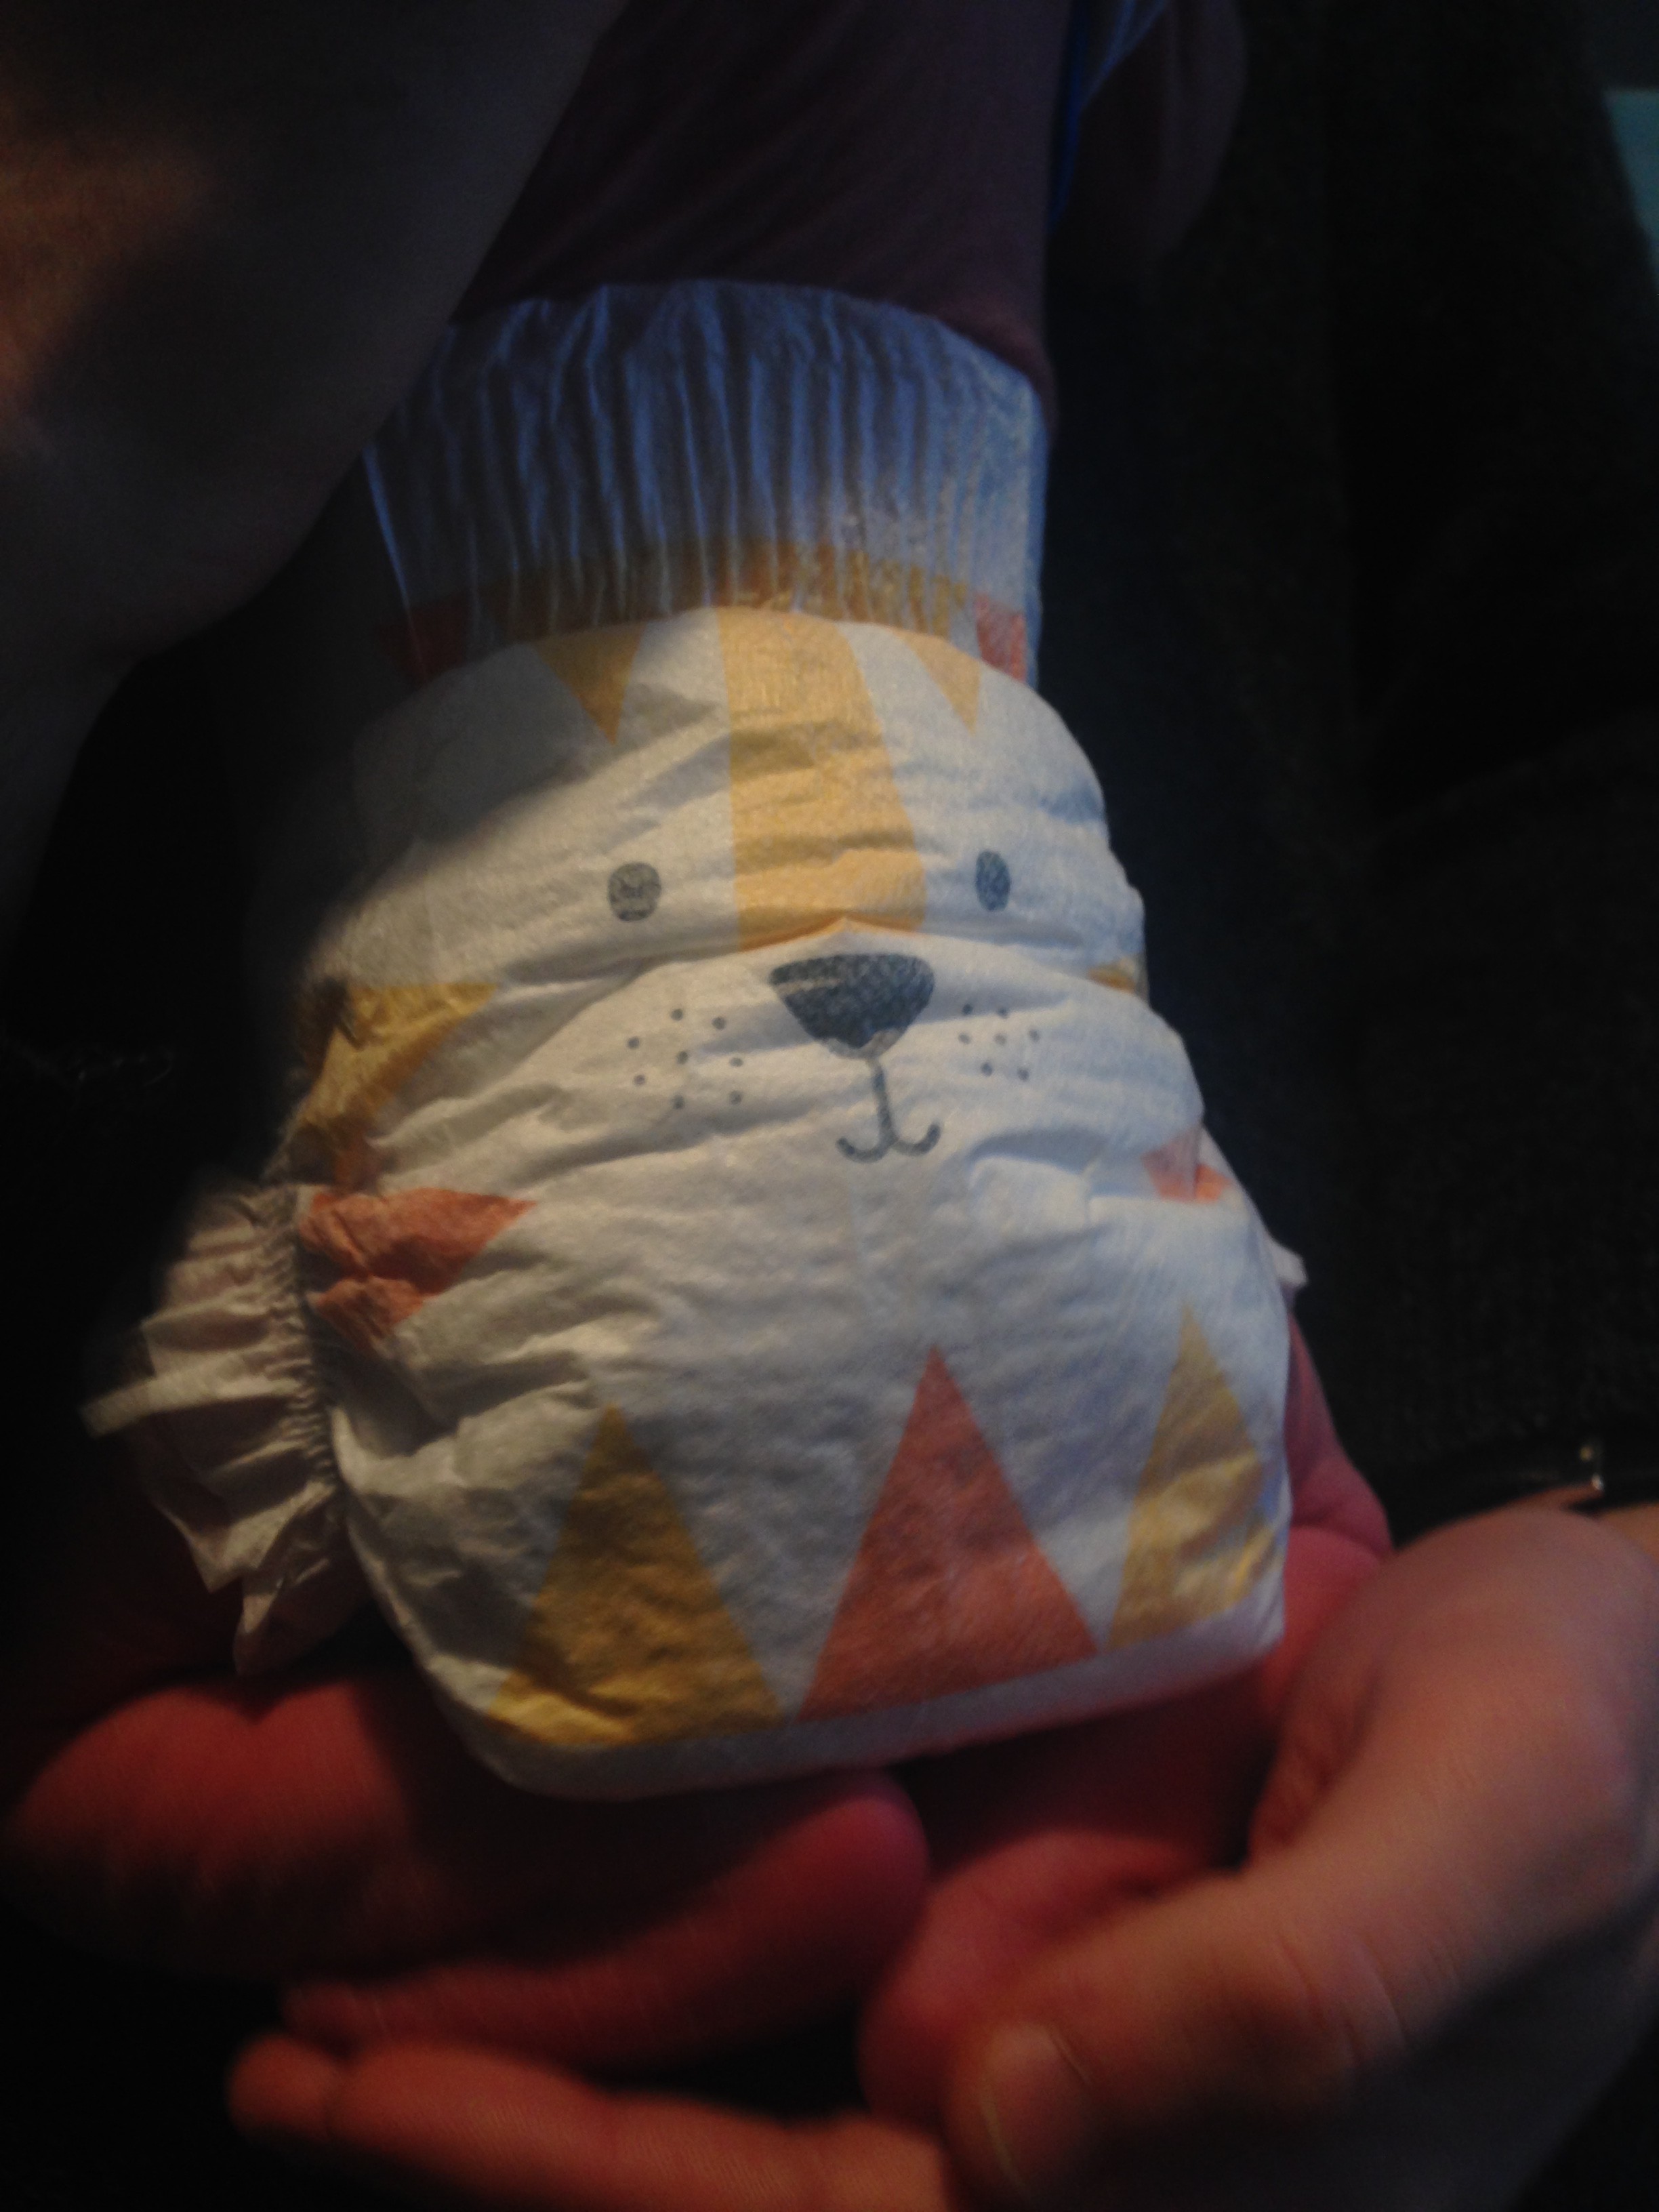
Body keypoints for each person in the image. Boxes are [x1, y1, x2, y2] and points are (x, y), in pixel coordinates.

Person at [3, 4, 1658, 2208]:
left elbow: (1568, 714)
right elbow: (1169, 169)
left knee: (75, 1694)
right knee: (1230, 1470)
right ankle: (1131, 1739)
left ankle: (628, 1850)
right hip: (1061, 1103)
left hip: (507, 1191)